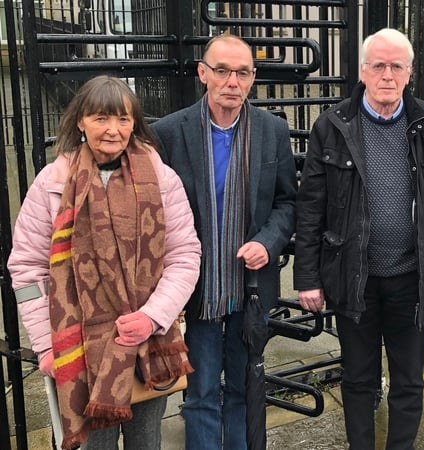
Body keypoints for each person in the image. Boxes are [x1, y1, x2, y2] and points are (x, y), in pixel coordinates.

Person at [293, 27, 424, 449]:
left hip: (414, 276)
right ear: (362, 71)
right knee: (357, 379)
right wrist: (307, 277)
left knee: (408, 380)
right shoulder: (332, 126)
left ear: (410, 72)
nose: (387, 74)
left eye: (396, 66)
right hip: (354, 277)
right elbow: (310, 207)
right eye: (378, 65)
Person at [7, 75, 201, 449]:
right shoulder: (52, 183)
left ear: (134, 123)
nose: (113, 130)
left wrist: (152, 316)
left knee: (146, 440)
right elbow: (27, 270)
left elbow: (184, 255)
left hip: (149, 343)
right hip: (79, 351)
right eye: (100, 118)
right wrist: (47, 346)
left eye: (123, 119)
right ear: (80, 121)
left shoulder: (161, 178)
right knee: (94, 446)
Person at [151, 34, 297, 449]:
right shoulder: (169, 133)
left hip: (249, 288)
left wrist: (268, 242)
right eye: (222, 70)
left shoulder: (272, 131)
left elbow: (288, 202)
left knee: (243, 388)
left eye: (242, 72)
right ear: (203, 73)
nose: (232, 81)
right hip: (195, 287)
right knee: (198, 395)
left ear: (252, 79)